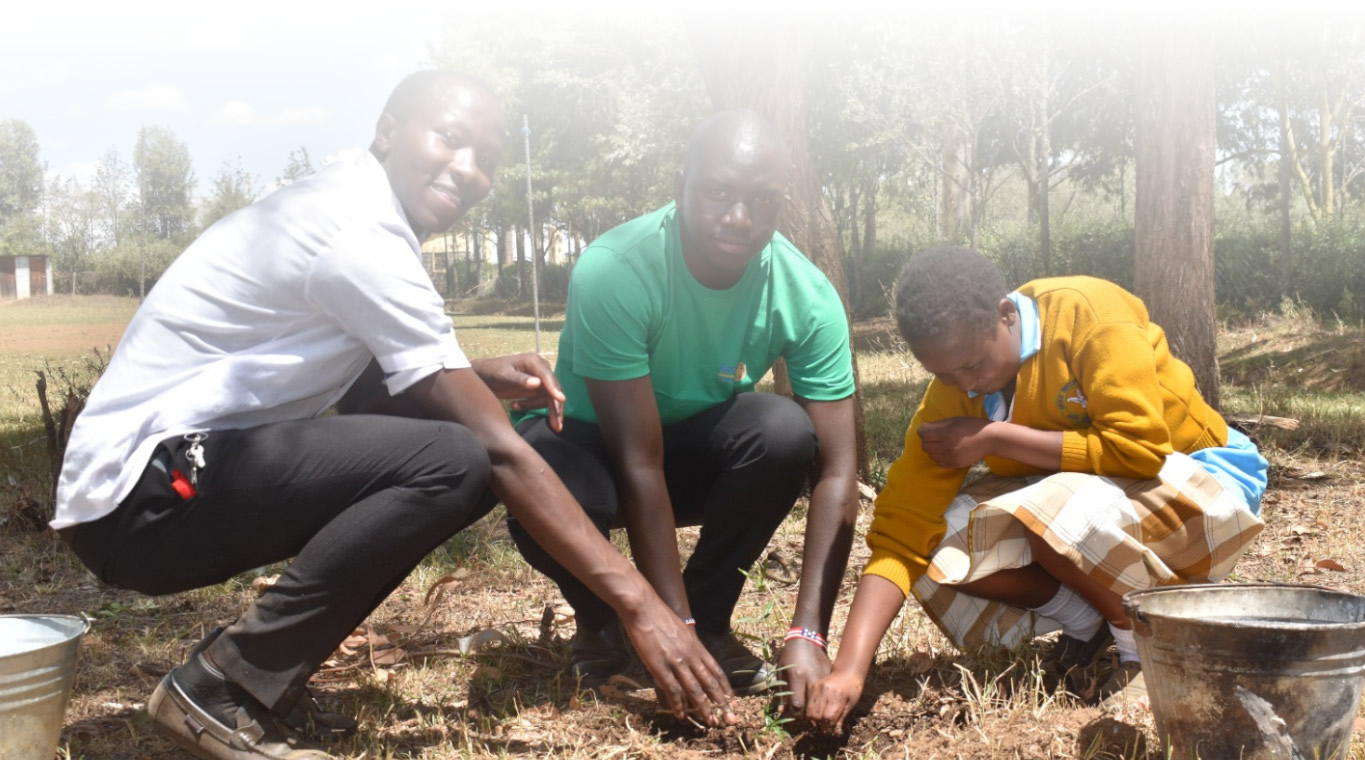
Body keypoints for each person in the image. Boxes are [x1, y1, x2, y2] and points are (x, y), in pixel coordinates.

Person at [52, 70, 735, 760]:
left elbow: (372, 403)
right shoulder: (361, 233)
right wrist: (642, 606)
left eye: (487, 160)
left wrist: (480, 377)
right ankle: (222, 687)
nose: (467, 170)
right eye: (450, 139)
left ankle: (265, 678)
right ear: (387, 131)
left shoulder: (349, 206)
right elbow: (495, 451)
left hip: (148, 493)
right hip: (143, 498)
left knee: (437, 452)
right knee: (457, 461)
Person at [808, 247, 1268, 729]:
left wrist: (995, 437)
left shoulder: (1087, 314)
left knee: (1048, 507)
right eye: (942, 375)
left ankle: (1144, 649)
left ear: (1005, 315)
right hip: (1087, 497)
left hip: (1204, 477)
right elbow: (902, 527)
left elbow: (1140, 448)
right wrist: (849, 671)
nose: (964, 386)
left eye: (971, 366)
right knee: (939, 541)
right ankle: (1086, 622)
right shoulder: (956, 388)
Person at [508, 109, 859, 715]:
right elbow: (637, 464)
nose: (738, 218)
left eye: (761, 201)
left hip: (689, 450)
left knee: (782, 433)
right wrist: (667, 625)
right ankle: (603, 619)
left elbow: (837, 473)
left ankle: (709, 616)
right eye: (718, 192)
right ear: (681, 187)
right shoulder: (617, 267)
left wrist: (808, 632)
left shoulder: (806, 294)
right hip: (590, 443)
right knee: (548, 488)